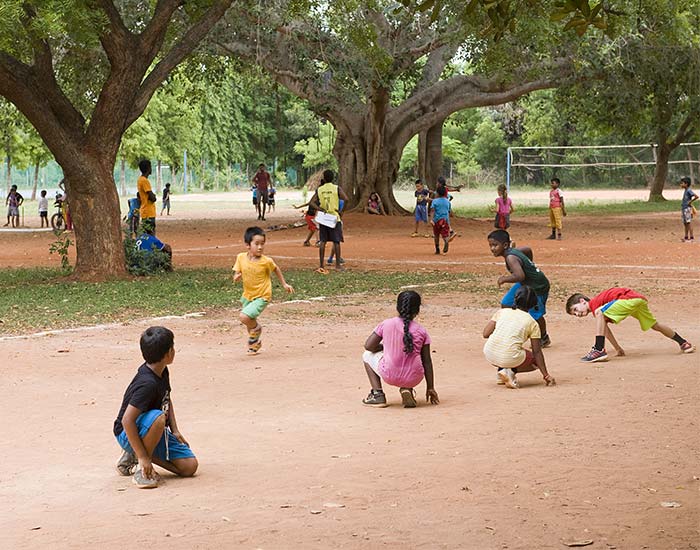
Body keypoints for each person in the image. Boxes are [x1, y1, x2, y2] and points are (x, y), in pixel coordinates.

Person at [113, 326, 198, 488]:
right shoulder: (147, 384)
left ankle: (136, 454)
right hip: (128, 433)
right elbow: (127, 420)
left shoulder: (162, 370)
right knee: (159, 417)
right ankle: (142, 468)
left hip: (151, 431)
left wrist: (175, 430)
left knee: (189, 467)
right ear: (168, 354)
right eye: (173, 347)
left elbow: (167, 398)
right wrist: (144, 458)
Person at [566, 287, 695, 362]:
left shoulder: (595, 305)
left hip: (628, 299)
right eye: (574, 314)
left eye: (575, 309)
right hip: (638, 301)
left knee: (600, 312)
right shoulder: (600, 311)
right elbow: (605, 329)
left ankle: (598, 349)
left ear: (582, 301)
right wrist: (617, 348)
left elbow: (601, 316)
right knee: (655, 325)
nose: (577, 314)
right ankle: (683, 343)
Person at [361, 290, 439, 408]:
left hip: (389, 374)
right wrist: (430, 387)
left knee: (366, 355)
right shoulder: (421, 331)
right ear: (417, 310)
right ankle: (407, 388)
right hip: (414, 378)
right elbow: (427, 361)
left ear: (397, 307)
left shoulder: (386, 324)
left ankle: (377, 394)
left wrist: (384, 347)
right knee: (411, 358)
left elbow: (369, 346)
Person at [233, 226, 294, 354]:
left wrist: (284, 284)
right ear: (247, 245)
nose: (260, 247)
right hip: (248, 295)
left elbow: (276, 269)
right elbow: (237, 272)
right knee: (250, 322)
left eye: (262, 244)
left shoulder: (266, 261)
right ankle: (254, 345)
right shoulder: (240, 257)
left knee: (244, 317)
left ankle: (257, 329)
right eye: (257, 244)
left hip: (263, 296)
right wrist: (236, 277)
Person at [487, 229, 552, 347]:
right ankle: (511, 327)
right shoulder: (514, 252)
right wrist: (528, 262)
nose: (492, 248)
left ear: (505, 245)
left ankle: (544, 337)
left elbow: (519, 275)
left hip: (537, 286)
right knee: (506, 303)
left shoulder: (510, 257)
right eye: (490, 245)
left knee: (536, 314)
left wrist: (504, 279)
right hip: (525, 283)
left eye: (495, 245)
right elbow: (527, 249)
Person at [483, 285, 555, 389]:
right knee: (533, 360)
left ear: (515, 299)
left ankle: (501, 371)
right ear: (533, 303)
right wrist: (546, 375)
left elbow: (485, 334)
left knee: (507, 346)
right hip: (509, 357)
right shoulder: (532, 323)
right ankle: (510, 371)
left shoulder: (501, 312)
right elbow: (537, 351)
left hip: (489, 354)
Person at [310, 169, 349, 274]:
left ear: (324, 178)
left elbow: (311, 203)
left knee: (323, 241)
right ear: (333, 178)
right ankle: (337, 265)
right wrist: (341, 212)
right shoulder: (336, 188)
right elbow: (346, 199)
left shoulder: (320, 189)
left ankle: (321, 265)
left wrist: (320, 208)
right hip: (334, 217)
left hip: (324, 218)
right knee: (336, 241)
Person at [429, 185, 452, 255]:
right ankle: (446, 241)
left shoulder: (435, 201)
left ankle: (437, 249)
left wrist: (431, 219)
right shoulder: (448, 202)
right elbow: (448, 212)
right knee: (445, 235)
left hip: (436, 220)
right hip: (445, 220)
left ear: (437, 193)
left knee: (436, 235)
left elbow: (432, 210)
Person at [137, 159, 157, 233]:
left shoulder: (140, 180)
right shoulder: (145, 181)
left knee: (146, 235)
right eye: (150, 167)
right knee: (151, 236)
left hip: (144, 211)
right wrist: (153, 196)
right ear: (148, 168)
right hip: (149, 212)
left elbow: (139, 194)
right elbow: (153, 198)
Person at [327, 198, 345, 265]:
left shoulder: (328, 199)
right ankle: (332, 258)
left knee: (324, 240)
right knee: (336, 241)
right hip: (336, 221)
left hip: (326, 220)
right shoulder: (341, 201)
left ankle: (331, 258)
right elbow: (341, 213)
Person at [680, 176, 698, 242]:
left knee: (689, 222)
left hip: (687, 209)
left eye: (682, 183)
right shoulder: (685, 190)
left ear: (686, 184)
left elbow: (696, 196)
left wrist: (690, 202)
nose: (681, 184)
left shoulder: (689, 190)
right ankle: (686, 236)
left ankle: (692, 237)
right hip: (684, 208)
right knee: (685, 223)